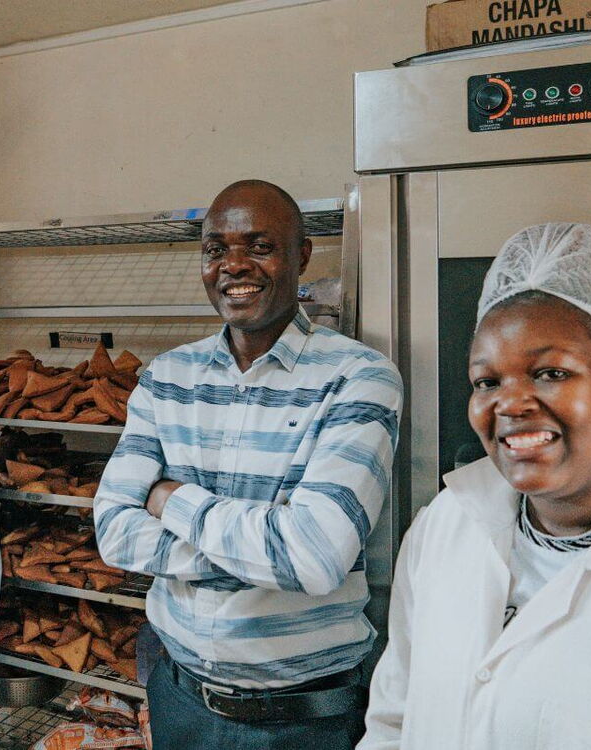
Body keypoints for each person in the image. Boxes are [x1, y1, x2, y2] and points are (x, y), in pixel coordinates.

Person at [358, 223, 591, 749]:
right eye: (487, 381)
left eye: (550, 372)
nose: (509, 404)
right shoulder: (444, 525)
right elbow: (394, 722)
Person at [93, 180, 403, 749]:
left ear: (301, 255)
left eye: (259, 246)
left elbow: (312, 558)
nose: (234, 265)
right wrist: (266, 549)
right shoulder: (167, 378)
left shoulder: (358, 378)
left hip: (306, 716)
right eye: (216, 249)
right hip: (179, 697)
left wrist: (169, 499)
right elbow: (114, 533)